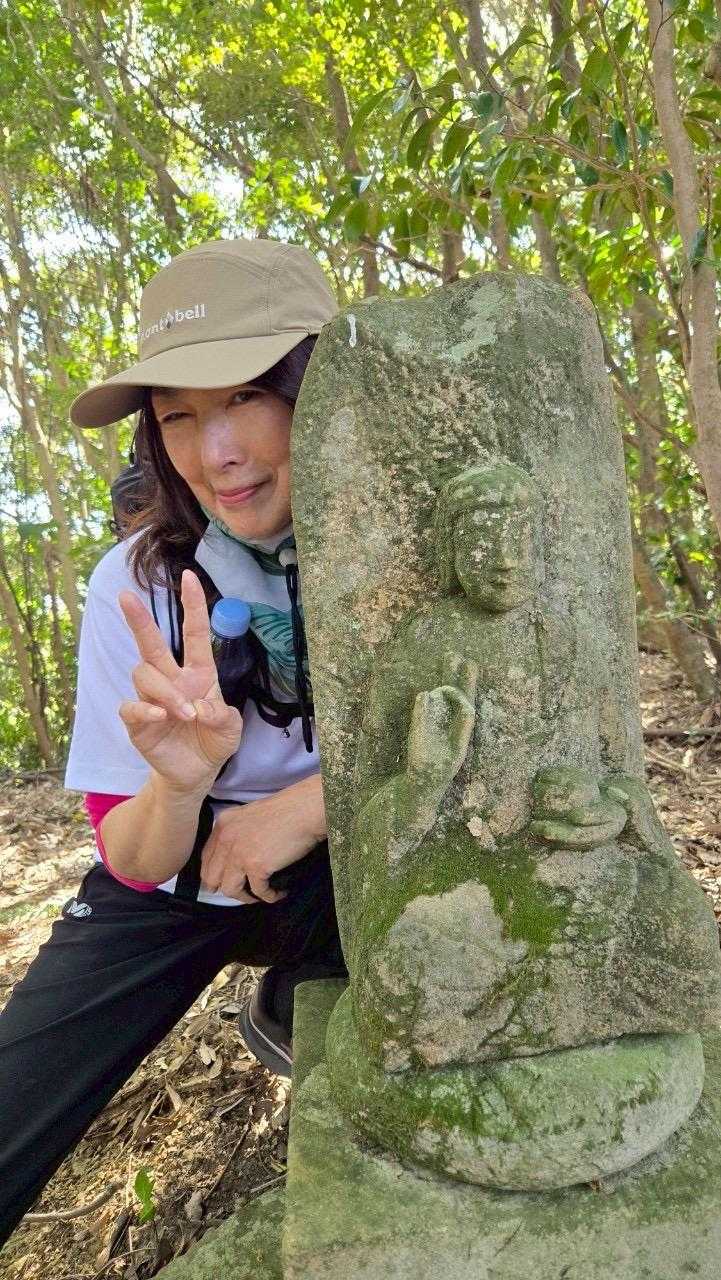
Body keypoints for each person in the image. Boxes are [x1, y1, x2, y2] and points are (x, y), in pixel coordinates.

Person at [0, 236, 348, 1246]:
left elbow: (502, 733)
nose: (215, 452)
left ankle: (303, 990)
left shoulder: (409, 540)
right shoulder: (137, 582)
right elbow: (134, 854)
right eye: (178, 416)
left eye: (246, 395)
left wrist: (312, 803)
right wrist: (184, 783)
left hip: (347, 859)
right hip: (176, 871)